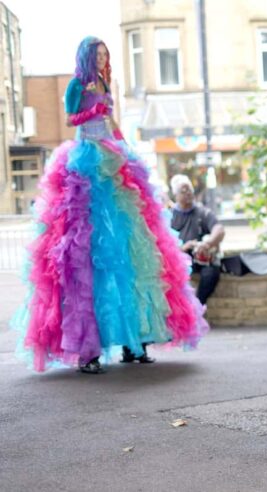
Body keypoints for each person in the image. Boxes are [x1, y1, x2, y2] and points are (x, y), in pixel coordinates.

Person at [12, 37, 208, 374]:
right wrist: (94, 110)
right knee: (86, 259)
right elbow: (73, 118)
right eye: (98, 54)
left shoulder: (104, 82)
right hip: (87, 163)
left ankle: (135, 343)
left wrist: (128, 150)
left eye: (105, 54)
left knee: (134, 252)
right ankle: (86, 351)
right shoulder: (77, 84)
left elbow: (113, 123)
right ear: (87, 57)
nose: (103, 59)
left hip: (113, 161)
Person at [170, 174, 226, 306]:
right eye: (183, 191)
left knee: (211, 273)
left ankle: (198, 307)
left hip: (200, 258)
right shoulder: (169, 216)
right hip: (180, 259)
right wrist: (183, 248)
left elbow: (219, 229)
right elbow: (163, 244)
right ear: (175, 196)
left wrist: (207, 243)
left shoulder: (203, 212)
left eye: (189, 189)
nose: (188, 193)